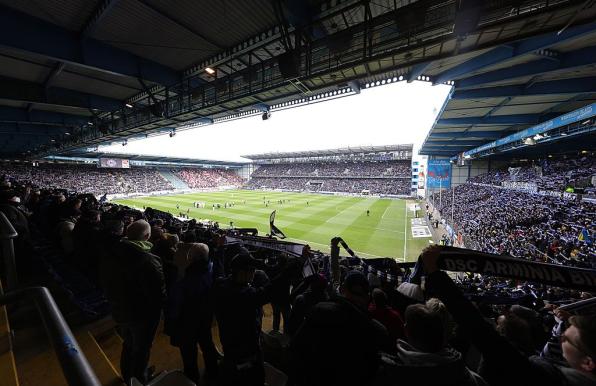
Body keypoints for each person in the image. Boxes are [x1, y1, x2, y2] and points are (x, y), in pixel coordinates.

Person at [420, 245, 596, 386]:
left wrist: (436, 274)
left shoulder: (542, 377)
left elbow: (480, 331)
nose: (561, 335)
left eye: (567, 338)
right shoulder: (568, 373)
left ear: (588, 362)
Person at [290, 271, 391, 386]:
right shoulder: (377, 330)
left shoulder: (319, 311)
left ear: (342, 289)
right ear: (368, 297)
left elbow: (295, 348)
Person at [99, 220, 166, 384]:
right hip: (142, 314)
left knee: (128, 344)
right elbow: (159, 294)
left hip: (120, 309)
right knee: (141, 348)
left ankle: (128, 375)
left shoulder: (111, 252)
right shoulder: (148, 261)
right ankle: (139, 379)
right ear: (147, 236)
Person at [213, 249, 289, 386]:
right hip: (247, 352)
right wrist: (289, 269)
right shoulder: (246, 296)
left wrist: (219, 250)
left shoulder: (221, 285)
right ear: (242, 273)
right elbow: (270, 290)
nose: (254, 274)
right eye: (252, 271)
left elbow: (218, 271)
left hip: (229, 346)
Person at [165, 243, 219, 384]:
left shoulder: (184, 282)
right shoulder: (212, 272)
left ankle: (192, 379)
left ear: (190, 258)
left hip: (187, 324)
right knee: (207, 345)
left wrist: (171, 325)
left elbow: (175, 308)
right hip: (205, 319)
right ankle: (213, 373)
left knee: (189, 354)